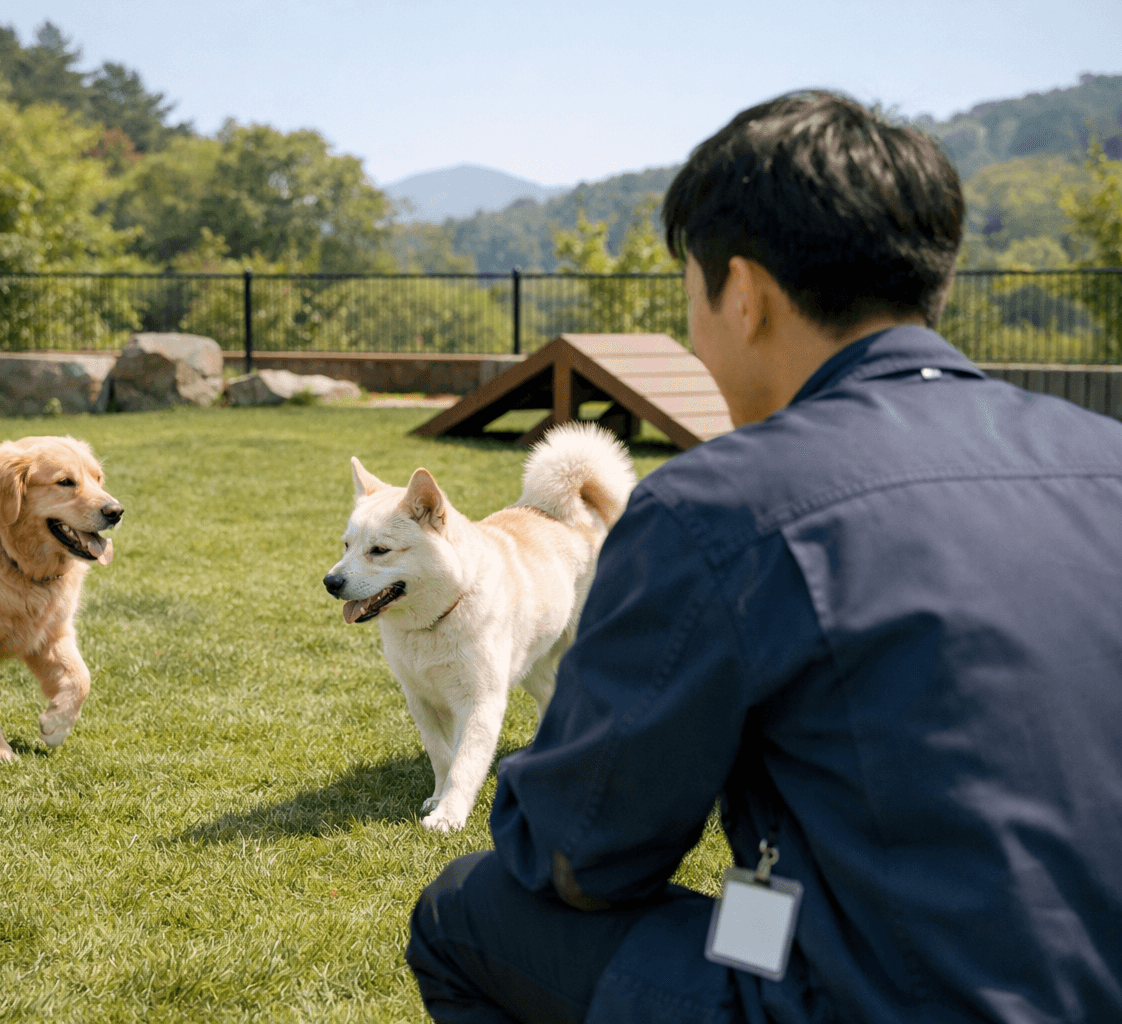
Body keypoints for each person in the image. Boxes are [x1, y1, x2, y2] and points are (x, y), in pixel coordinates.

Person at [405, 91, 1122, 1023]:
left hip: (879, 996)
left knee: (466, 913)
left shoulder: (723, 506)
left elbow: (576, 853)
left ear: (741, 294)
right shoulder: (1104, 456)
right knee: (766, 900)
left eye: (689, 294)